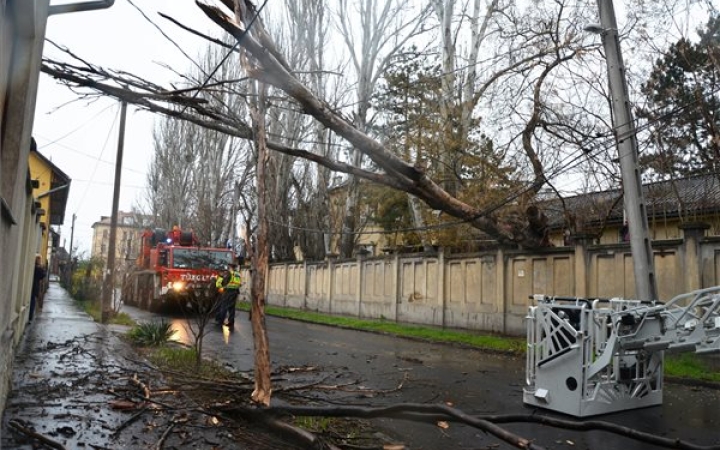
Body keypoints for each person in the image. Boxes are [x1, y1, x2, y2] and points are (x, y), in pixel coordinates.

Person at [217, 263, 242, 328]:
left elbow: (222, 283)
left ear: (230, 267)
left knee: (224, 306)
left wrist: (220, 277)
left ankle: (220, 321)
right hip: (235, 292)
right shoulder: (238, 274)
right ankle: (231, 322)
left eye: (228, 267)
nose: (228, 268)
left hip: (228, 292)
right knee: (232, 308)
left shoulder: (229, 274)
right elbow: (239, 283)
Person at [29, 255, 46, 322]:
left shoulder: (33, 267)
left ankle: (30, 316)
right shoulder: (38, 268)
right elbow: (43, 275)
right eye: (40, 260)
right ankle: (30, 317)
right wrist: (42, 267)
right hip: (35, 286)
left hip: (32, 285)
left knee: (32, 300)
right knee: (32, 301)